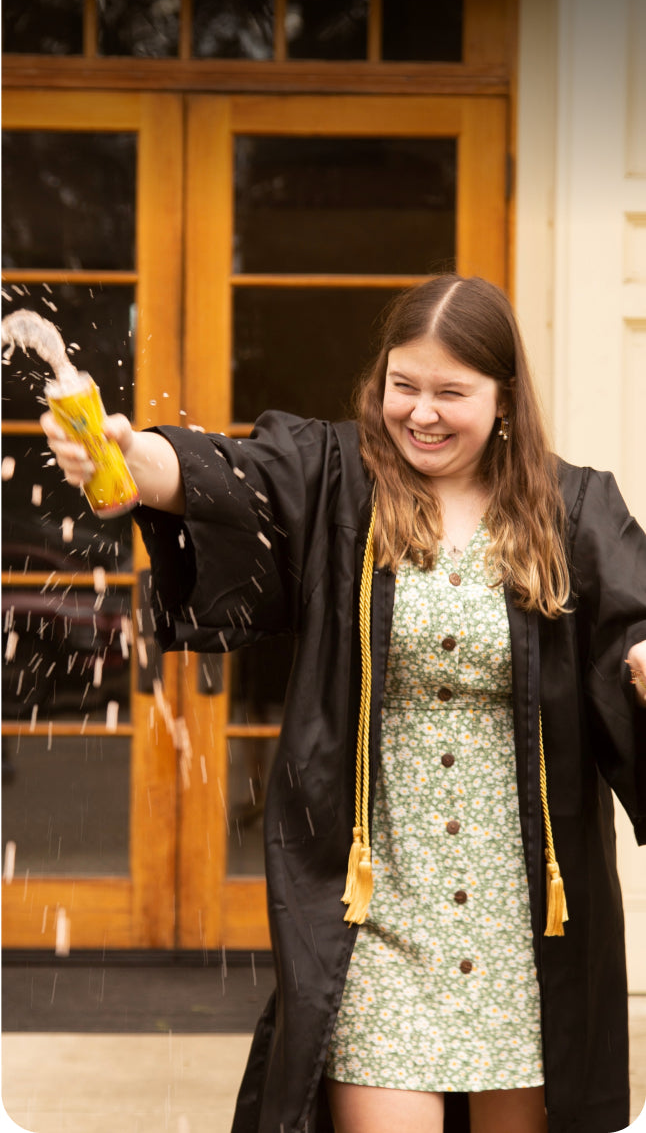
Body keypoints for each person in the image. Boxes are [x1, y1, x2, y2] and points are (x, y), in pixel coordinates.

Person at [42, 274, 646, 1133]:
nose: (422, 413)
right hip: (375, 903)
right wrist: (131, 458)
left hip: (526, 920)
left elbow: (634, 626)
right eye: (405, 386)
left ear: (505, 399)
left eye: (451, 394)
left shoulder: (572, 510)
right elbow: (226, 475)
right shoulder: (337, 480)